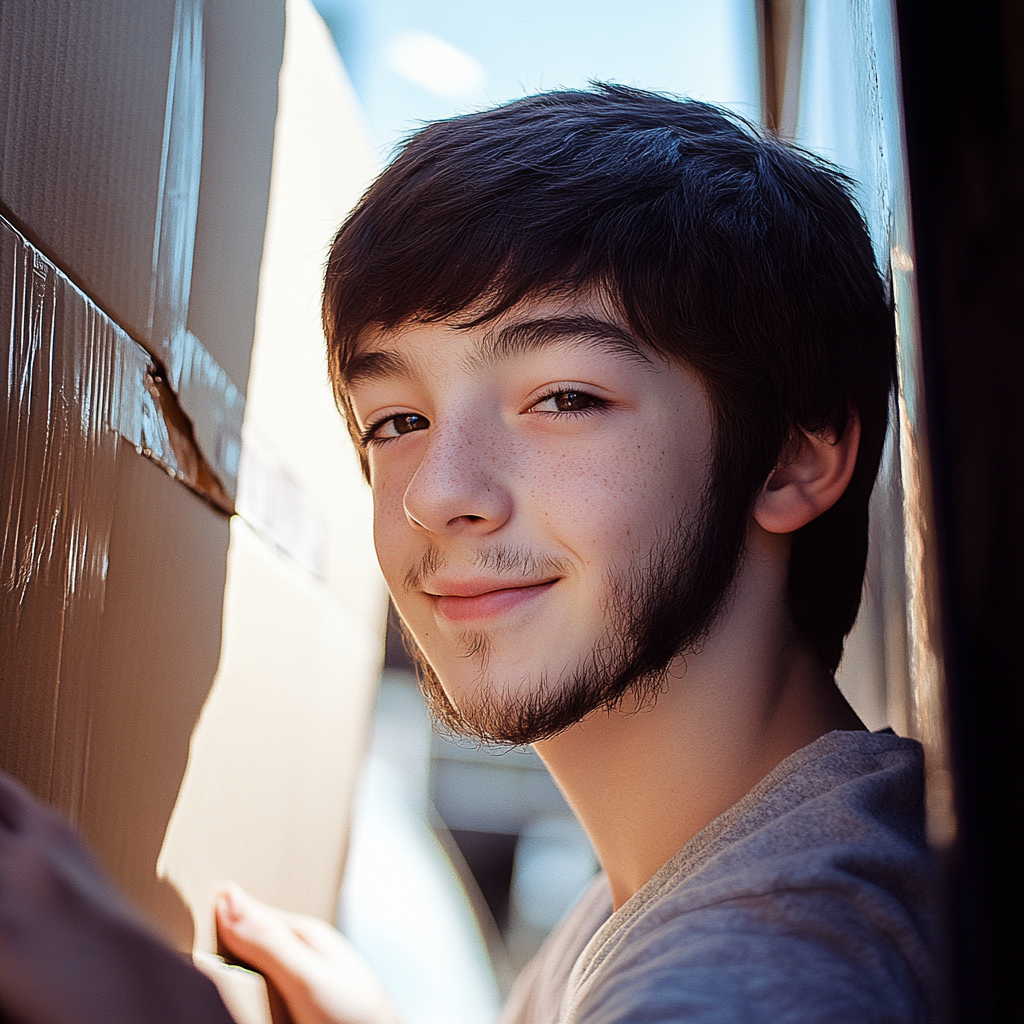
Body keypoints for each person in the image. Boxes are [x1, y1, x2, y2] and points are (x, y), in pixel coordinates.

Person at [0, 85, 935, 1023]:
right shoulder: (666, 890)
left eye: (564, 398)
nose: (435, 493)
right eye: (397, 421)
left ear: (792, 457)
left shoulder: (789, 951)